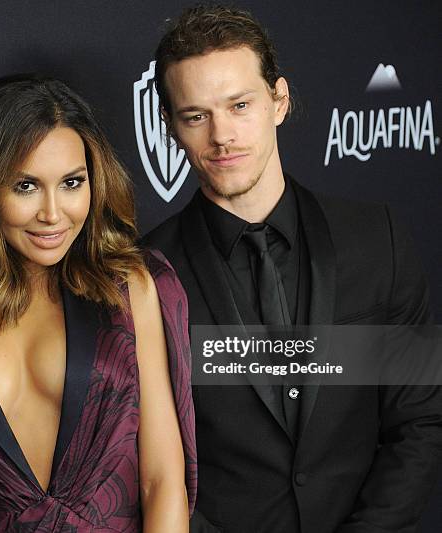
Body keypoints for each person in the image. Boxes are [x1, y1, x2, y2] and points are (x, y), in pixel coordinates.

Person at [143, 5, 442, 533]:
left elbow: (420, 419)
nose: (222, 136)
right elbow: (147, 465)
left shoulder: (378, 239)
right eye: (196, 116)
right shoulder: (145, 273)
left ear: (279, 100)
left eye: (240, 105)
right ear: (169, 126)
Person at [0, 74, 196, 532]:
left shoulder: (130, 286)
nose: (52, 213)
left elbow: (162, 482)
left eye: (71, 182)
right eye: (25, 186)